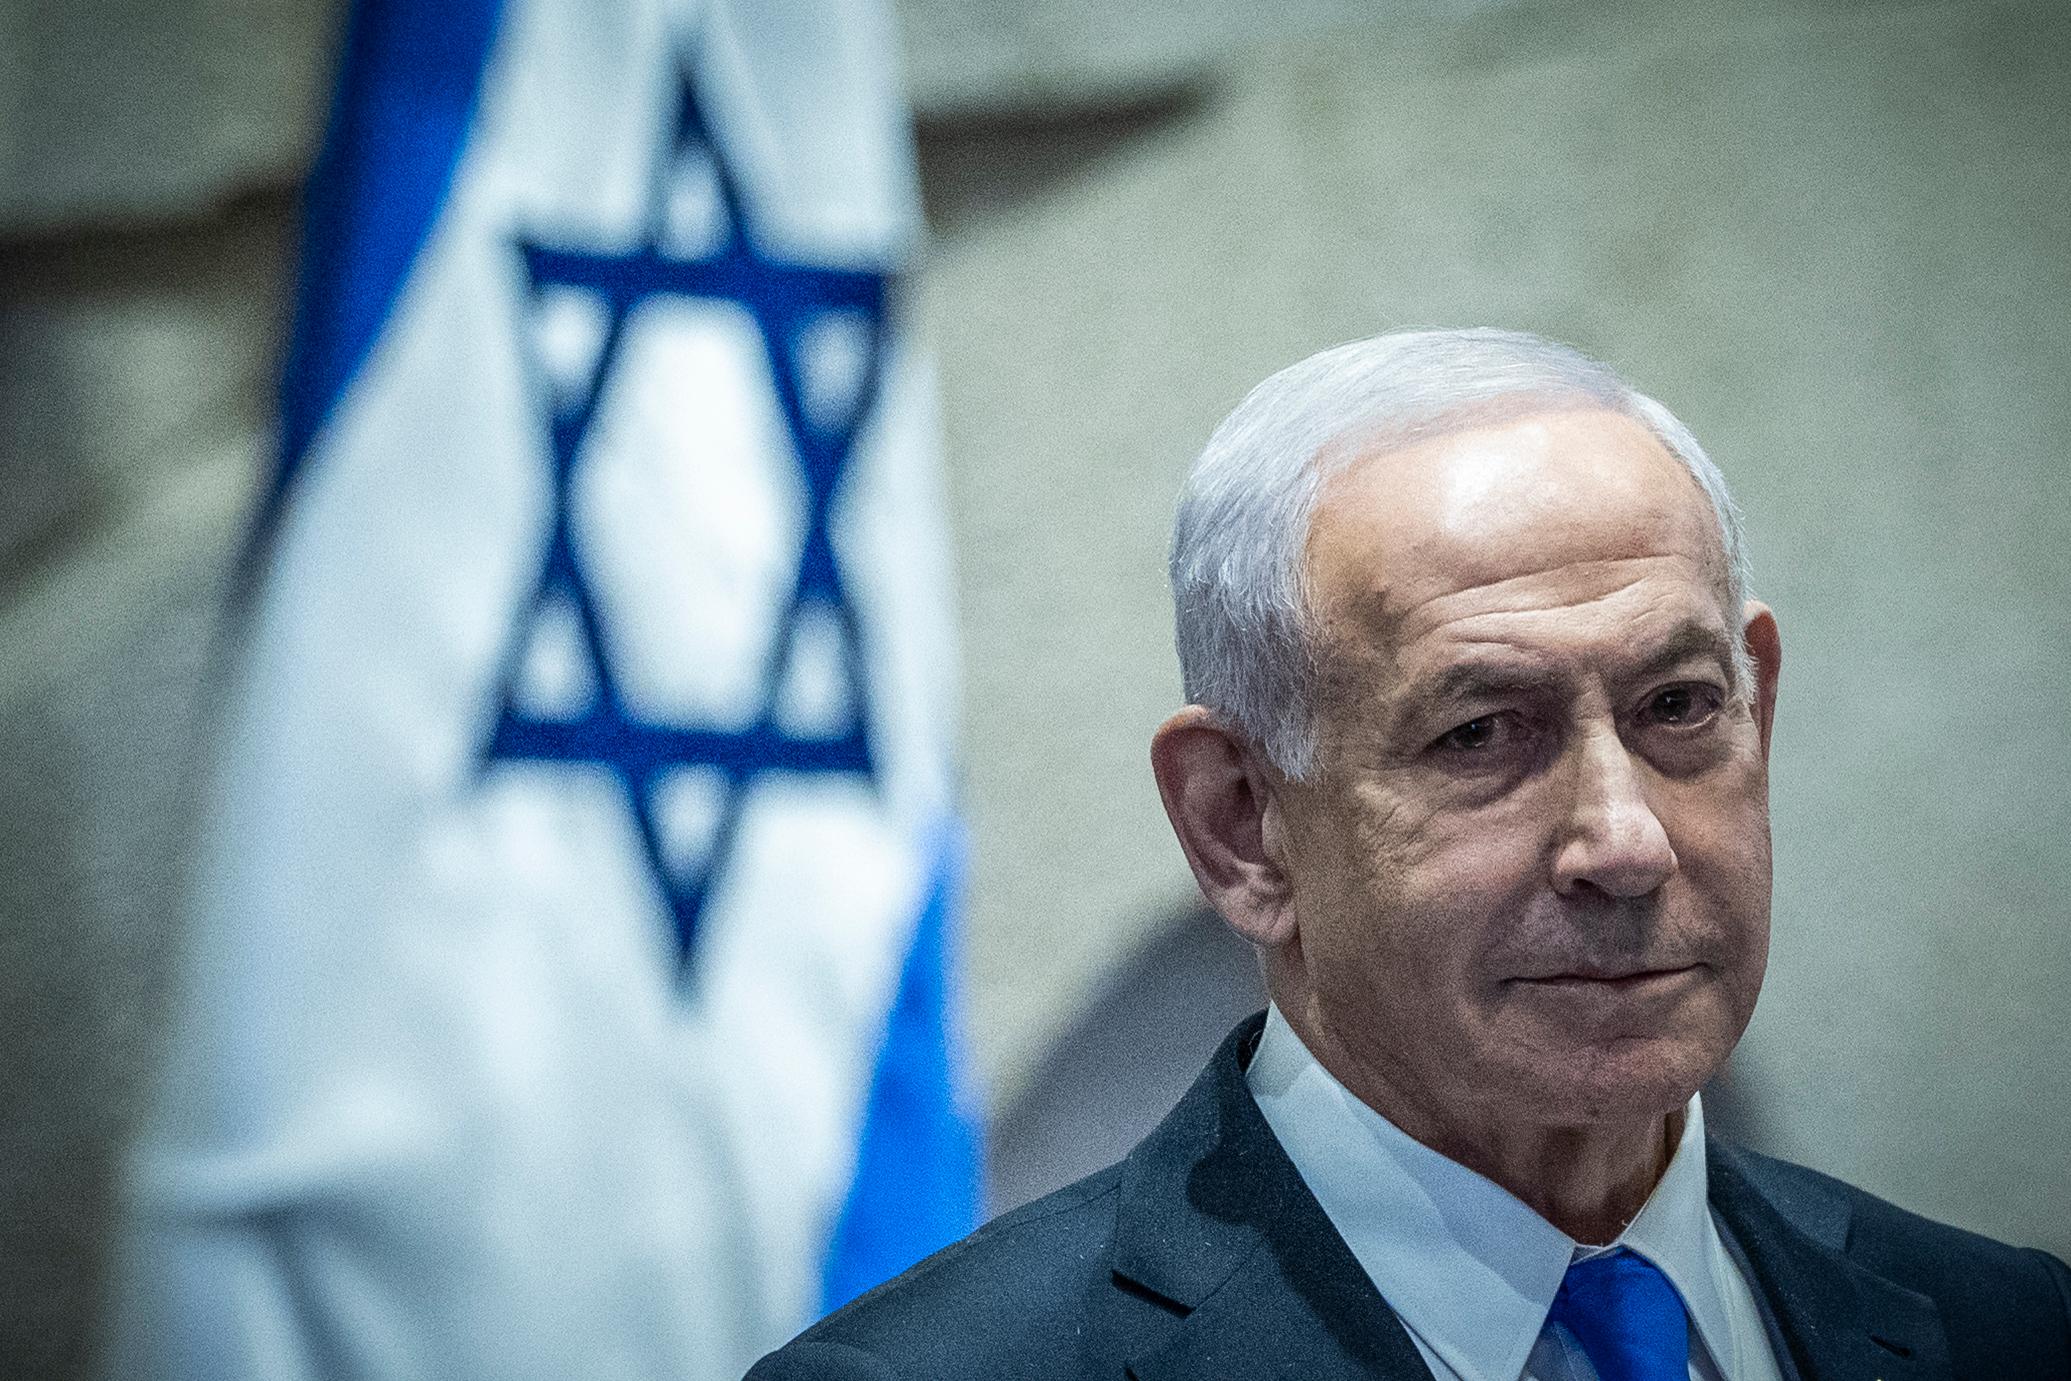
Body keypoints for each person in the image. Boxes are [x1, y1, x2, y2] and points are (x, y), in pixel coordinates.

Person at [748, 329, 2071, 1380]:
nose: (1627, 838)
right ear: (1242, 824)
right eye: (1483, 730)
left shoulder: (2007, 1328)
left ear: (1759, 707)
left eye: (1678, 706)